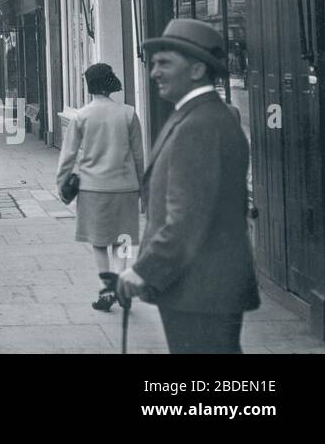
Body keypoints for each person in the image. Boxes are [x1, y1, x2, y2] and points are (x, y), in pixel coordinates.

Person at [117, 19, 260, 354]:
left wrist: (144, 270)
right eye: (153, 64)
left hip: (201, 290)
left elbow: (186, 218)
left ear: (197, 70)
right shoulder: (200, 115)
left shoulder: (200, 124)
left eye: (164, 63)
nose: (154, 73)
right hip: (200, 287)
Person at [55, 63, 145, 312]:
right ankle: (123, 282)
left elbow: (68, 155)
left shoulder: (82, 116)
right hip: (125, 187)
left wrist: (61, 184)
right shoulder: (128, 113)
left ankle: (108, 288)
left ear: (89, 85)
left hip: (93, 188)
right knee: (123, 239)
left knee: (99, 242)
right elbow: (139, 156)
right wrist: (142, 189)